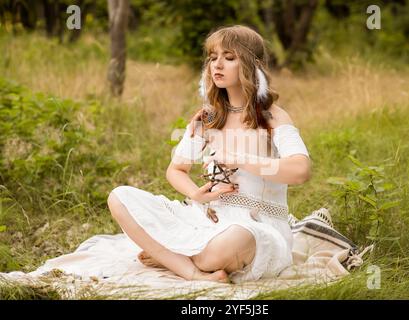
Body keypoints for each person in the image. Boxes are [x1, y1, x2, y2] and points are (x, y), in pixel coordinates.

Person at [107, 25, 311, 284]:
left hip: (257, 225)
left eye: (229, 57)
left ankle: (167, 254)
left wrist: (239, 158)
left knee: (234, 240)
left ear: (251, 64)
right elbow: (176, 169)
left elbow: (300, 170)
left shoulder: (273, 117)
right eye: (213, 58)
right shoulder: (209, 117)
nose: (218, 65)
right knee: (120, 197)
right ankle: (191, 270)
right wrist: (194, 193)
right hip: (208, 219)